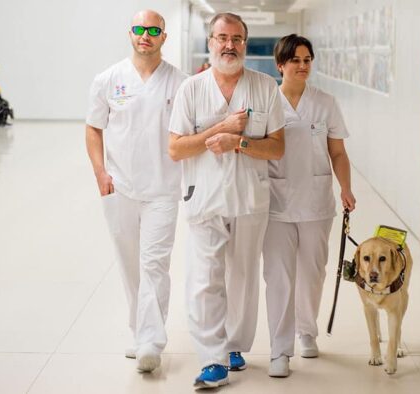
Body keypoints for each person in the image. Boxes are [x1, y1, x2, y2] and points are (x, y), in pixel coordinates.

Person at [168, 13, 285, 389]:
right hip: (204, 197)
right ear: (211, 41)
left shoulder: (266, 88)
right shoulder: (191, 89)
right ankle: (212, 358)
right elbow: (175, 149)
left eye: (236, 38)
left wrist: (240, 142)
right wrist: (219, 130)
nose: (228, 45)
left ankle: (235, 345)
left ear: (245, 44)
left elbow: (278, 148)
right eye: (221, 37)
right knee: (205, 278)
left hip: (250, 197)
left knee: (243, 277)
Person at [84, 10, 187, 373]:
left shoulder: (179, 82)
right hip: (120, 187)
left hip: (163, 189)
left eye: (153, 30)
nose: (146, 35)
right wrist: (100, 172)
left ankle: (151, 343)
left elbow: (189, 135)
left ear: (163, 37)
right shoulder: (108, 79)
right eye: (140, 29)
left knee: (154, 264)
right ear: (130, 34)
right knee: (130, 265)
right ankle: (139, 329)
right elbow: (94, 128)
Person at [262, 34, 356, 377]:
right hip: (275, 202)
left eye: (307, 60)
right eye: (296, 60)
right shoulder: (267, 100)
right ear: (281, 65)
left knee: (313, 272)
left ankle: (307, 331)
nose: (303, 66)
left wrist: (346, 188)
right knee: (278, 276)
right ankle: (279, 348)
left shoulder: (326, 102)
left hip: (317, 202)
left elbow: (338, 153)